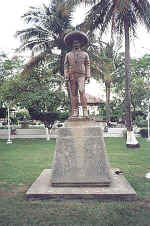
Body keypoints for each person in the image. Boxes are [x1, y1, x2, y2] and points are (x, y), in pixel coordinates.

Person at [64, 31, 90, 118]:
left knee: (82, 91)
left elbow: (87, 64)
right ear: (72, 44)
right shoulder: (68, 54)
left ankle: (85, 111)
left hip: (81, 75)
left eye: (77, 42)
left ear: (80, 44)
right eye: (74, 43)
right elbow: (66, 66)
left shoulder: (85, 54)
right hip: (72, 75)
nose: (76, 44)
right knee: (74, 94)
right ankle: (75, 111)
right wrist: (66, 75)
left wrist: (88, 75)